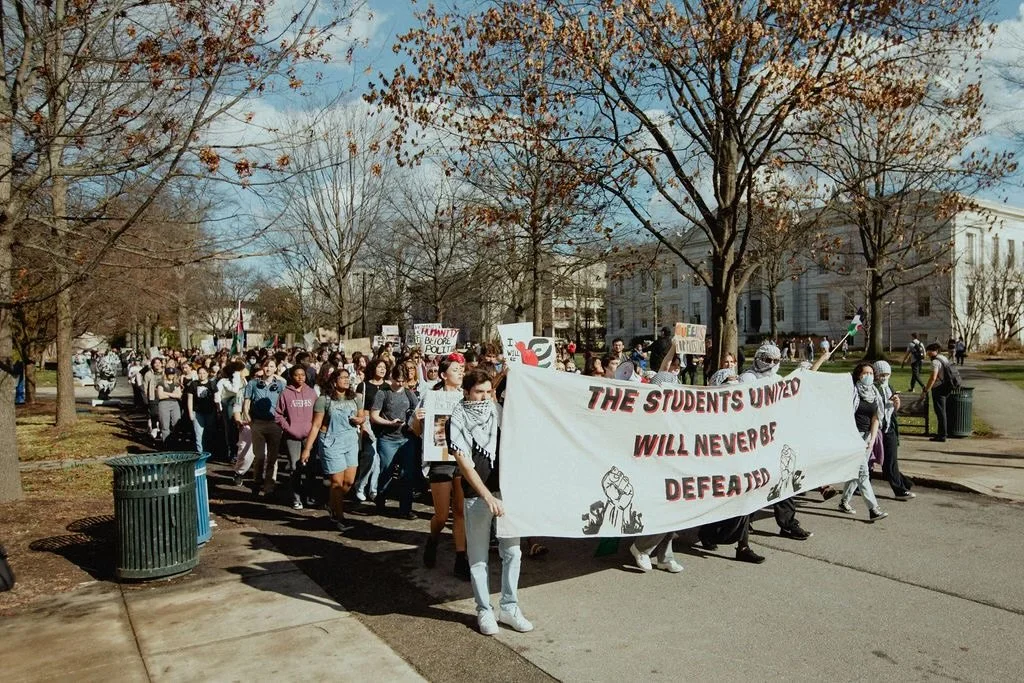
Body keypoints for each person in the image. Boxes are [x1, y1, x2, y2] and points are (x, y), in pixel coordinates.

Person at [449, 369, 533, 636]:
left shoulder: (496, 410)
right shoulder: (457, 417)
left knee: (513, 553)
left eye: (487, 391)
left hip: (505, 492)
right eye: (478, 392)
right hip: (477, 497)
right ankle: (484, 610)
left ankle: (509, 607)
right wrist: (486, 495)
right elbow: (464, 463)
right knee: (478, 557)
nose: (484, 397)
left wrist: (510, 369)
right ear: (466, 392)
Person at [739, 342, 813, 541]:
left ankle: (788, 524)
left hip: (777, 439)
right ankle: (743, 521)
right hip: (754, 440)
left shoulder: (779, 379)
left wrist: (800, 377)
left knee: (784, 480)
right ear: (758, 359)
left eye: (776, 361)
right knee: (755, 483)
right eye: (767, 360)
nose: (771, 364)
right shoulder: (748, 378)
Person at [411, 357, 470, 580]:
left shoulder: (467, 396)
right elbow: (416, 431)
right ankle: (433, 538)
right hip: (440, 459)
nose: (460, 373)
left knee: (460, 511)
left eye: (462, 370)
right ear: (444, 375)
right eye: (455, 370)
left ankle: (460, 558)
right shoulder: (430, 396)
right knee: (442, 514)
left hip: (461, 458)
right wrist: (418, 419)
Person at [301, 368, 364, 531]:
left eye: (347, 377)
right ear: (334, 380)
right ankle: (339, 517)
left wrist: (360, 419)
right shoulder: (324, 400)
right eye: (342, 377)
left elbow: (362, 416)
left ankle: (332, 504)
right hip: (331, 442)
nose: (346, 380)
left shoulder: (356, 398)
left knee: (348, 482)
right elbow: (315, 426)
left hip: (350, 441)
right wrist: (307, 449)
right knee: (336, 482)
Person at [838, 362, 890, 522]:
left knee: (856, 472)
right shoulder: (852, 391)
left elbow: (876, 417)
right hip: (853, 436)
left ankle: (844, 501)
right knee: (863, 472)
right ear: (858, 375)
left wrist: (873, 438)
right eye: (865, 373)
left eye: (871, 373)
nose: (869, 376)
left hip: (867, 436)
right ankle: (873, 509)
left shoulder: (874, 393)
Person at [370, 363, 419, 518]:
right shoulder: (383, 393)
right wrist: (389, 423)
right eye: (397, 380)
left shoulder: (409, 393)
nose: (399, 384)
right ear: (391, 377)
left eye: (402, 380)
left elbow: (416, 412)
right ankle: (381, 501)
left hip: (406, 438)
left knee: (407, 474)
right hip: (388, 438)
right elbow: (374, 416)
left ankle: (406, 508)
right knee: (386, 471)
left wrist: (412, 425)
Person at [242, 358, 286, 498]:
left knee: (272, 458)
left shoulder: (280, 385)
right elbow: (247, 400)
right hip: (258, 423)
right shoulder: (253, 383)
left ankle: (269, 486)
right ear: (262, 368)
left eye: (272, 366)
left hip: (274, 423)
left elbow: (285, 402)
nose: (268, 369)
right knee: (259, 456)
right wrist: (246, 415)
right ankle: (257, 481)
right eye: (266, 366)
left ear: (275, 369)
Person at [276, 365, 319, 510]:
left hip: (309, 436)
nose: (300, 377)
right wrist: (288, 428)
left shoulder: (312, 393)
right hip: (292, 437)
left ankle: (310, 495)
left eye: (303, 375)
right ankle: (296, 498)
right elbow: (278, 415)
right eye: (297, 375)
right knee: (294, 467)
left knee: (310, 467)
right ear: (291, 376)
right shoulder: (285, 393)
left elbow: (318, 414)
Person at [873, 361, 915, 500]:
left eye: (887, 374)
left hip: (889, 427)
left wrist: (896, 404)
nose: (884, 378)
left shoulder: (889, 387)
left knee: (890, 461)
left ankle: (901, 487)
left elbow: (892, 411)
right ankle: (902, 486)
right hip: (877, 428)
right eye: (881, 375)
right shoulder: (873, 388)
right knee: (876, 462)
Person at [922, 342, 954, 443]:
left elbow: (933, 377)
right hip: (947, 386)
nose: (928, 353)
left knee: (940, 412)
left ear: (935, 351)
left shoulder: (935, 362)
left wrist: (926, 389)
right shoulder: (944, 358)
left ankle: (942, 435)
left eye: (929, 351)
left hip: (939, 388)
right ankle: (943, 433)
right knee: (943, 411)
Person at [186, 365, 219, 454]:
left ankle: (209, 452)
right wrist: (190, 413)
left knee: (209, 433)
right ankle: (200, 453)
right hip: (197, 412)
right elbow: (190, 399)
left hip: (210, 411)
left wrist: (218, 410)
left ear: (207, 374)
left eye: (204, 373)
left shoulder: (212, 384)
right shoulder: (194, 384)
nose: (202, 375)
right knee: (198, 434)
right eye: (200, 373)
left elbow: (217, 399)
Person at [154, 366, 183, 444]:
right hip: (164, 404)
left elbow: (179, 395)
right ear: (166, 374)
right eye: (169, 374)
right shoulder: (161, 383)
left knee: (176, 423)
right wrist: (172, 394)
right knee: (165, 424)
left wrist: (166, 393)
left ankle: (175, 442)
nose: (171, 375)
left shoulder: (176, 383)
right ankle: (166, 443)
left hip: (175, 404)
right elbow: (160, 396)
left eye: (172, 374)